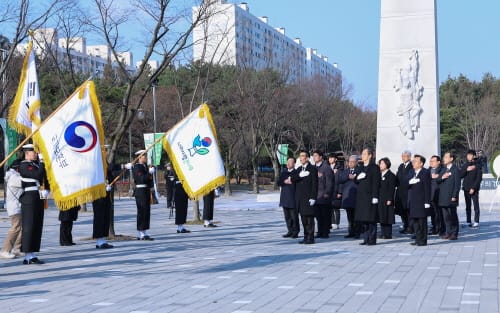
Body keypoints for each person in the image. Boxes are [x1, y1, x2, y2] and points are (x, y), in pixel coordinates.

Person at [19, 144, 49, 264]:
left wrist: (47, 189)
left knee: (37, 225)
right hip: (29, 198)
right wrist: (42, 162)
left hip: (38, 197)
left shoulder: (36, 165)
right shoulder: (24, 165)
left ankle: (33, 253)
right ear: (27, 153)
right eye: (33, 152)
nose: (36, 154)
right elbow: (37, 175)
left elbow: (44, 177)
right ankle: (27, 255)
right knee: (29, 226)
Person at [291, 150, 318, 244]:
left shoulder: (312, 169)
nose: (301, 158)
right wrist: (299, 175)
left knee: (309, 219)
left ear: (307, 158)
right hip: (300, 199)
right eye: (300, 156)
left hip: (308, 197)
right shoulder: (298, 169)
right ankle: (306, 236)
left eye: (303, 156)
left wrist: (313, 197)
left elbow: (315, 184)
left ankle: (311, 237)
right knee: (303, 219)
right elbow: (292, 179)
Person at [355, 148, 380, 246]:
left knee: (371, 219)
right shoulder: (360, 167)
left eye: (365, 154)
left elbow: (376, 182)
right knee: (363, 219)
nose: (363, 156)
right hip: (361, 197)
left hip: (370, 196)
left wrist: (375, 196)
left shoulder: (374, 167)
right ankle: (365, 238)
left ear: (370, 155)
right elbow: (355, 180)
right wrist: (357, 177)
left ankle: (372, 239)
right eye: (362, 154)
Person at [0, 159, 24, 259]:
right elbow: (26, 183)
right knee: (15, 228)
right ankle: (5, 250)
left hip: (18, 206)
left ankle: (17, 248)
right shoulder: (14, 177)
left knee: (21, 228)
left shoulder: (14, 175)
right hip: (14, 207)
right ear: (18, 168)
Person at [130, 150, 154, 240]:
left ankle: (144, 231)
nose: (146, 158)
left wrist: (150, 174)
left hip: (146, 190)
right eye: (144, 156)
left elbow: (149, 180)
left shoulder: (145, 167)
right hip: (140, 191)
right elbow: (141, 179)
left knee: (146, 211)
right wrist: (149, 173)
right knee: (141, 211)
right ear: (139, 158)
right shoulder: (137, 167)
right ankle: (140, 232)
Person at [407, 155, 432, 246]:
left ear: (421, 163)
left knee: (422, 222)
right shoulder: (412, 172)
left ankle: (423, 240)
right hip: (413, 201)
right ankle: (417, 239)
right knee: (415, 222)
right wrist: (409, 182)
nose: (413, 162)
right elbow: (405, 183)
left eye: (416, 161)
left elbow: (427, 188)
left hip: (422, 201)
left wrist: (427, 202)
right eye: (413, 161)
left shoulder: (425, 172)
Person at [437, 152, 461, 240]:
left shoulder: (455, 170)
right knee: (445, 217)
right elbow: (438, 180)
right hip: (443, 197)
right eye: (444, 157)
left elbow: (457, 185)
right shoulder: (443, 169)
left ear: (451, 159)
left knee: (452, 215)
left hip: (451, 197)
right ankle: (448, 232)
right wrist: (443, 177)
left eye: (446, 157)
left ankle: (454, 233)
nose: (444, 159)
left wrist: (454, 195)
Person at [338, 155, 361, 239]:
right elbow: (340, 179)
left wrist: (355, 178)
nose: (350, 163)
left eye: (352, 162)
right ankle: (351, 232)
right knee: (349, 216)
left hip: (356, 196)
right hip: (347, 196)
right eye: (349, 162)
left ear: (356, 162)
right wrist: (348, 176)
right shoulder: (346, 171)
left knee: (356, 216)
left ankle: (357, 232)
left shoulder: (359, 170)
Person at [312, 150, 333, 239]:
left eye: (316, 155)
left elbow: (330, 182)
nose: (314, 157)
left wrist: (327, 192)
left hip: (324, 196)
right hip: (315, 195)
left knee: (325, 215)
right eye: (313, 156)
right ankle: (320, 231)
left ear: (321, 157)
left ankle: (325, 232)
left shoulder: (326, 168)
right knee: (318, 216)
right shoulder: (313, 168)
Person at [460, 149, 483, 228]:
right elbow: (460, 175)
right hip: (466, 188)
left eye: (470, 155)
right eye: (467, 155)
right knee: (468, 206)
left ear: (474, 156)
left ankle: (476, 221)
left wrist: (473, 188)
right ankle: (468, 221)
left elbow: (479, 178)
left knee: (476, 206)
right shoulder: (465, 165)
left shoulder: (478, 165)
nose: (468, 156)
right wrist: (466, 170)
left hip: (474, 189)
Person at [278, 156, 299, 238]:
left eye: (290, 162)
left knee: (294, 217)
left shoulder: (296, 172)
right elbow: (279, 182)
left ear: (294, 163)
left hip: (293, 197)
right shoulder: (284, 172)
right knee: (287, 217)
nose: (288, 163)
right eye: (287, 162)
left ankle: (295, 231)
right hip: (284, 197)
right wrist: (284, 181)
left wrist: (291, 181)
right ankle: (290, 230)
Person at [395, 150, 414, 234]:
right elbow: (397, 176)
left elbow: (409, 178)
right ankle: (405, 225)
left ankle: (411, 227)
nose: (403, 158)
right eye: (402, 156)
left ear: (409, 157)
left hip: (408, 191)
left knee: (408, 211)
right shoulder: (400, 166)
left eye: (405, 156)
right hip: (400, 191)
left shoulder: (412, 166)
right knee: (402, 210)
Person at [377, 157, 396, 239]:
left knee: (388, 216)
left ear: (387, 164)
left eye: (382, 163)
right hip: (380, 198)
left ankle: (388, 234)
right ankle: (383, 232)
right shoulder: (379, 174)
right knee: (382, 216)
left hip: (387, 199)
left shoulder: (391, 175)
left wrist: (390, 199)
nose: (380, 165)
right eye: (380, 163)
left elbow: (391, 188)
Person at [429, 155, 444, 236]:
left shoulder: (441, 169)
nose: (431, 163)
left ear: (438, 162)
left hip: (438, 194)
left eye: (433, 161)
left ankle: (440, 228)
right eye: (430, 161)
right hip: (430, 195)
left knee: (439, 213)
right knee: (432, 213)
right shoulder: (428, 170)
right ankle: (434, 227)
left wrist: (438, 176)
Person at [328, 153, 343, 230]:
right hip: (329, 190)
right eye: (329, 158)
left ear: (335, 159)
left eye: (332, 158)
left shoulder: (339, 168)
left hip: (336, 189)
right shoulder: (327, 167)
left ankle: (337, 223)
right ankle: (332, 222)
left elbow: (341, 181)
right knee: (330, 207)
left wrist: (340, 192)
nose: (330, 159)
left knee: (336, 208)